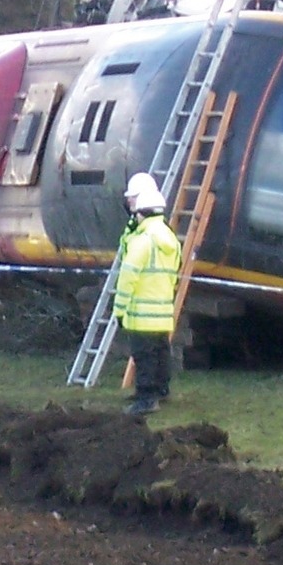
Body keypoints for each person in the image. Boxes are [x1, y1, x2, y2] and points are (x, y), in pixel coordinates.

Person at [112, 172, 182, 418]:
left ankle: (146, 399)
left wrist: (118, 309)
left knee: (144, 357)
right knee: (161, 353)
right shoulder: (169, 238)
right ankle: (161, 391)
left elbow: (128, 277)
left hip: (141, 312)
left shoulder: (143, 240)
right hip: (162, 310)